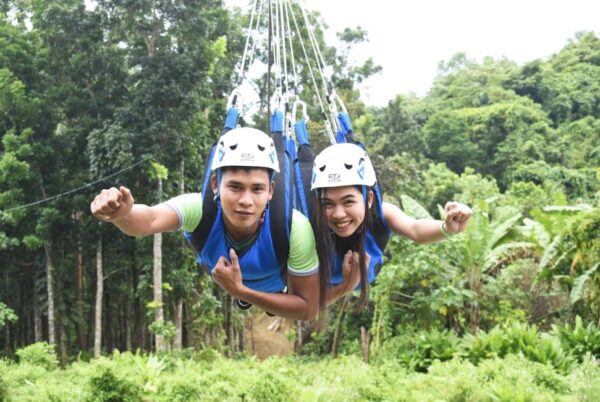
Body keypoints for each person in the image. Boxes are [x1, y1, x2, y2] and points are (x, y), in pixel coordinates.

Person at [91, 128, 320, 321]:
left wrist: (241, 291)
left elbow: (308, 308)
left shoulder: (294, 228)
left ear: (271, 191)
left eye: (257, 189)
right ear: (215, 184)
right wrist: (122, 214)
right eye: (235, 187)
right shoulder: (201, 210)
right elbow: (149, 219)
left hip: (277, 289)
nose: (246, 201)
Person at [310, 142, 473, 307]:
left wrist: (447, 228)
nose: (338, 214)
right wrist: (347, 285)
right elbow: (309, 305)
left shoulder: (382, 215)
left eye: (348, 202)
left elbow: (415, 229)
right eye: (327, 204)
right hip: (326, 285)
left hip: (367, 273)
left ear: (370, 199)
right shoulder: (310, 226)